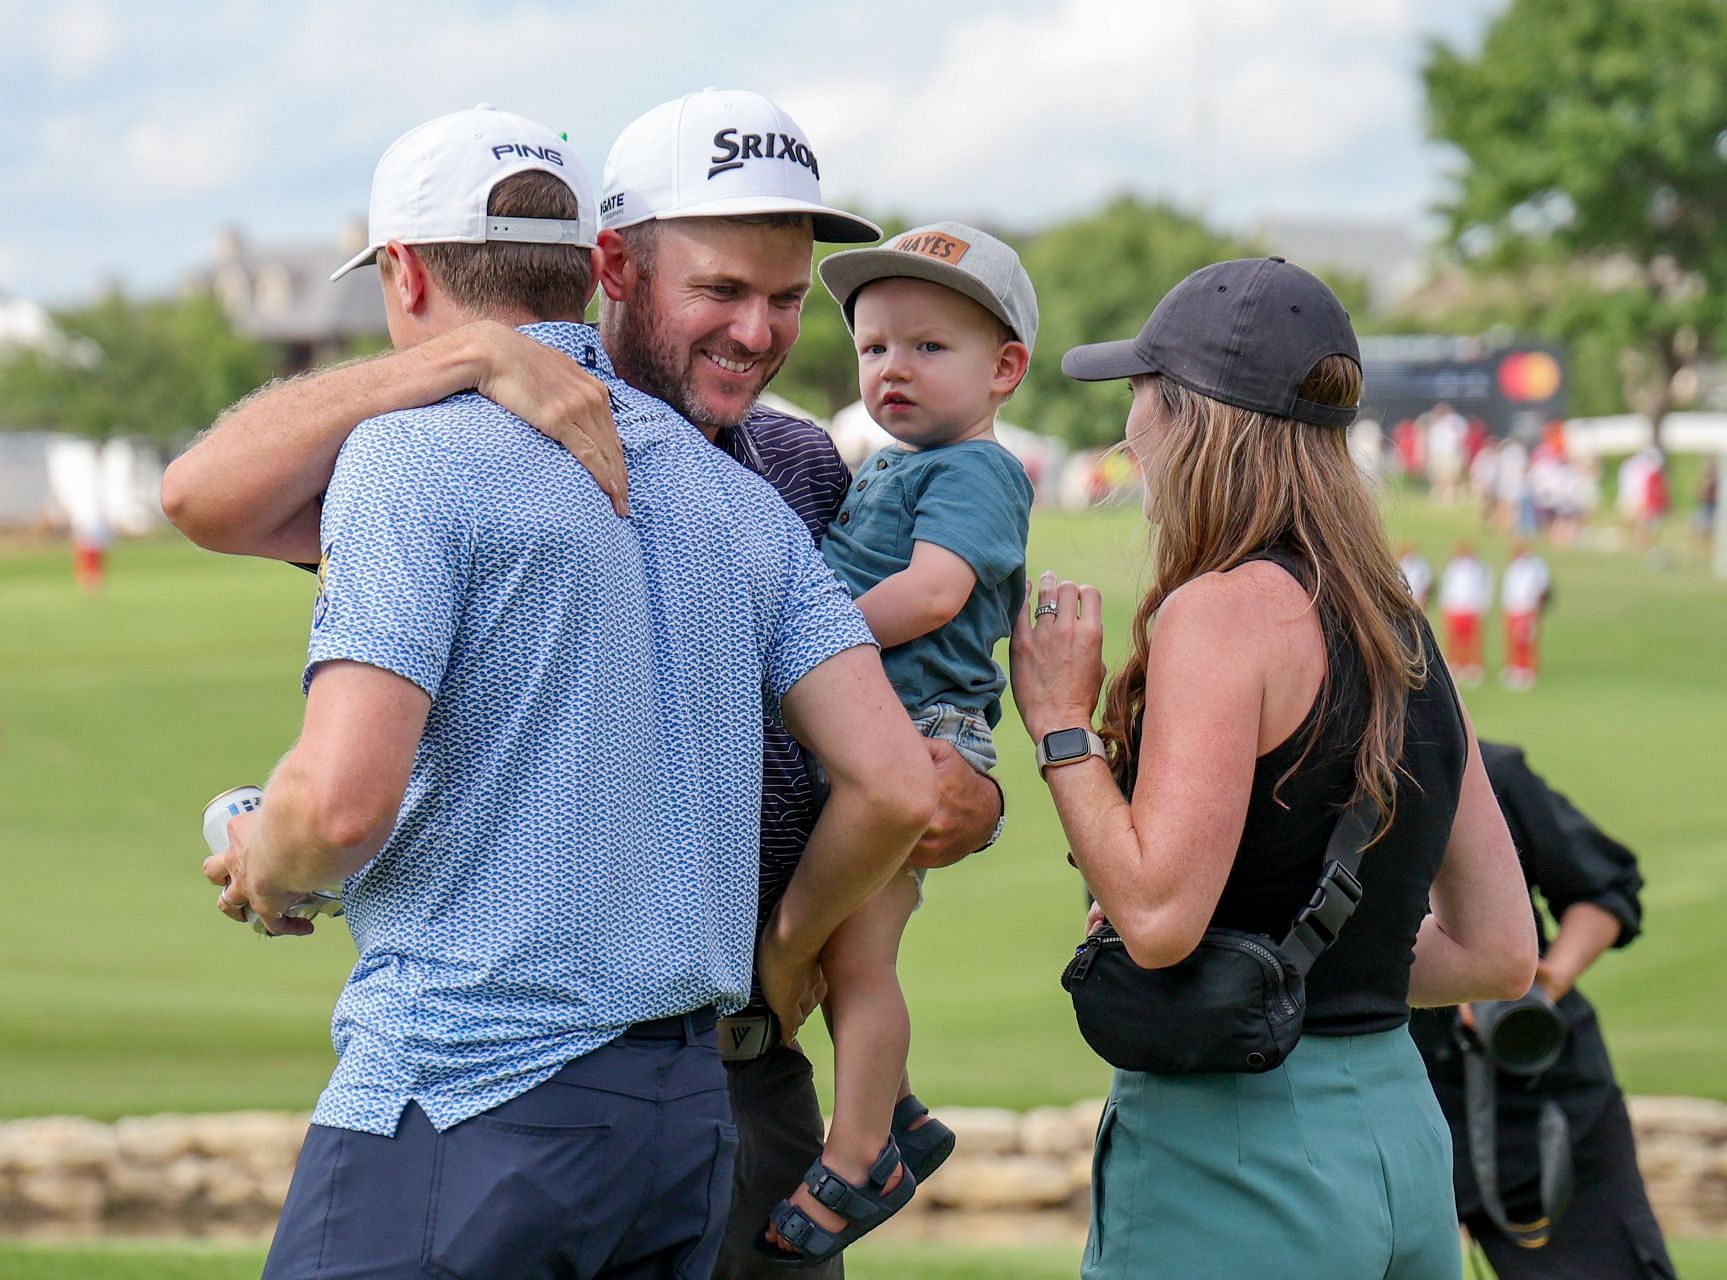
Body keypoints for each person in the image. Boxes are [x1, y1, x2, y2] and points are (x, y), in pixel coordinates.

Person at [162, 89, 1004, 1280]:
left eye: (781, 298)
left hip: (484, 1084)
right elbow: (884, 774)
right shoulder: (742, 509)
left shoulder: (435, 457)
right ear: (598, 268)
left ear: (401, 273)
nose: (761, 331)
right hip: (677, 1117)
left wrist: (273, 862)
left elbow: (342, 805)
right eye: (724, 291)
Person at [1012, 257, 1536, 1280]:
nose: (1129, 430)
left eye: (1139, 396)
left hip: (1236, 1148)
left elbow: (1159, 918)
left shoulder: (1220, 610)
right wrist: (1328, 966)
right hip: (1400, 1139)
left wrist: (1062, 724)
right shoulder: (1404, 631)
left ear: (1192, 416)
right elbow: (1501, 951)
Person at [750, 224, 1037, 1264]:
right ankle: (901, 1106)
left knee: (862, 960)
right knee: (844, 948)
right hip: (871, 728)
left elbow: (934, 591)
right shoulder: (893, 464)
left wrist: (800, 642)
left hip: (915, 732)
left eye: (928, 348)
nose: (893, 371)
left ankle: (860, 1151)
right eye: (875, 350)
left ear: (1005, 368)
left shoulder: (974, 471)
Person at [1410, 741, 1675, 1280]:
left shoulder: (1487, 773)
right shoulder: (1302, 777)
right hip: (1392, 1102)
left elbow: (1604, 888)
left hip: (1540, 1096)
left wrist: (1543, 981)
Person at [1440, 539, 1493, 685]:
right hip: (1456, 608)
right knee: (1455, 639)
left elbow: (1485, 588)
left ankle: (1473, 667)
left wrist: (1483, 606)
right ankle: (1456, 665)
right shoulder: (1454, 568)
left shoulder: (1478, 569)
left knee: (1471, 639)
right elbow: (1448, 588)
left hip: (1472, 608)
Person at [1499, 541, 1551, 690]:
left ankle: (1526, 669)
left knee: (1525, 640)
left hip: (1527, 608)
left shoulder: (1536, 566)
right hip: (1513, 608)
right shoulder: (1514, 567)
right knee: (1513, 640)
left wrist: (1536, 607)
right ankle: (1514, 666)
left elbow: (1542, 587)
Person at [1399, 542, 1434, 612]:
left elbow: (1428, 581)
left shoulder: (1421, 564)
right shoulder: (1403, 564)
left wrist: (1425, 594)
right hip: (1406, 597)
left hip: (1419, 596)